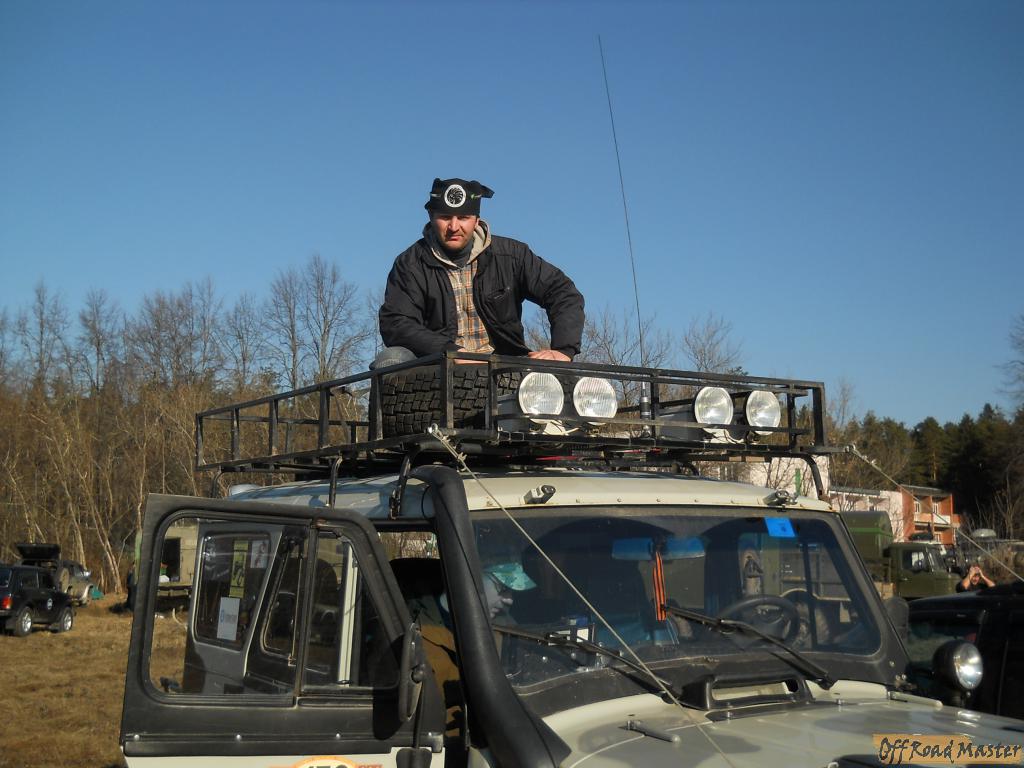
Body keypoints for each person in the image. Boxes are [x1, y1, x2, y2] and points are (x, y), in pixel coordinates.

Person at [377, 177, 584, 367]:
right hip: (437, 366)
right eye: (445, 217)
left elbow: (562, 291)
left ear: (476, 220)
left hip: (504, 366)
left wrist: (563, 349)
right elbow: (396, 322)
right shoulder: (410, 264)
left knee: (567, 387)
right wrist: (449, 351)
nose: (454, 226)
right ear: (431, 217)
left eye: (463, 217)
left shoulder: (512, 256)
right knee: (391, 358)